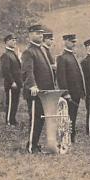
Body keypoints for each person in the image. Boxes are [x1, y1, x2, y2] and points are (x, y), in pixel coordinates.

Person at [22, 24, 56, 154]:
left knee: (40, 119)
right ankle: (31, 146)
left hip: (44, 92)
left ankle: (35, 144)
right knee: (35, 119)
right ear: (30, 35)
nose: (40, 35)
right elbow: (27, 71)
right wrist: (32, 86)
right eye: (37, 33)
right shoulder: (29, 51)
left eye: (41, 33)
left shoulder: (42, 50)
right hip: (35, 92)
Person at [57, 33, 86, 143]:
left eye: (75, 42)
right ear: (66, 42)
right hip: (69, 93)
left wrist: (82, 91)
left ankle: (71, 137)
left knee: (73, 115)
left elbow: (79, 75)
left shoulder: (73, 56)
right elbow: (61, 78)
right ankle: (66, 137)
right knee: (68, 116)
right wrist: (65, 93)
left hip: (76, 92)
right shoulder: (62, 58)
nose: (74, 44)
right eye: (72, 42)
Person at [0, 34, 22, 127]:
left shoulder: (13, 54)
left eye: (15, 40)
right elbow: (6, 71)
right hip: (11, 84)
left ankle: (13, 120)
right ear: (7, 42)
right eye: (12, 40)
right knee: (10, 103)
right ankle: (9, 121)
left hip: (17, 83)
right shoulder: (6, 55)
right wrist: (12, 82)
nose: (14, 41)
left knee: (15, 102)